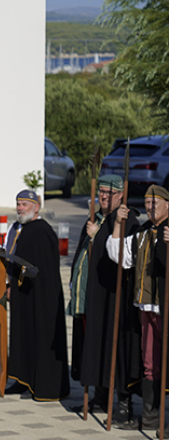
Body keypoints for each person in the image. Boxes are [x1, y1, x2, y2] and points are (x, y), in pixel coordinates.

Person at [69, 174, 141, 420]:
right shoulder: (96, 218)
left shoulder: (126, 220)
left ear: (121, 195)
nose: (103, 196)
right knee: (95, 344)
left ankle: (123, 402)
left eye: (109, 193)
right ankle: (99, 396)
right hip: (94, 296)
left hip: (114, 296)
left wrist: (96, 236)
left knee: (116, 347)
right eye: (100, 192)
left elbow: (121, 256)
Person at [0, 190, 70, 401]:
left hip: (42, 297)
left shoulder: (41, 231)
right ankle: (22, 379)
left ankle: (42, 385)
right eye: (18, 204)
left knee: (40, 336)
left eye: (25, 204)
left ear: (37, 206)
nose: (20, 208)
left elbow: (43, 269)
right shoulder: (19, 229)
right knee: (22, 335)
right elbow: (15, 256)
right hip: (22, 292)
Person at [106, 184, 169, 429]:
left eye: (155, 203)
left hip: (165, 308)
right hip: (145, 306)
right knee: (150, 364)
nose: (150, 207)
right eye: (147, 203)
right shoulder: (143, 232)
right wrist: (118, 224)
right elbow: (118, 254)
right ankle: (151, 419)